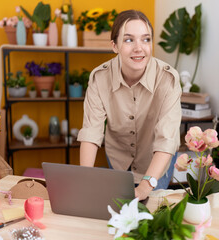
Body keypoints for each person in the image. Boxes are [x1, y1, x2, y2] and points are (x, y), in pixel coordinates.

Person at [77, 10, 182, 200]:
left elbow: (167, 140)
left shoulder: (168, 79)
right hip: (118, 158)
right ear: (114, 46)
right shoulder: (99, 78)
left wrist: (144, 188)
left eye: (145, 39)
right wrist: (84, 179)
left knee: (149, 211)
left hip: (155, 160)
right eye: (128, 40)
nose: (138, 48)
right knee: (119, 211)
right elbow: (91, 132)